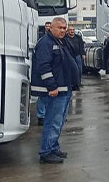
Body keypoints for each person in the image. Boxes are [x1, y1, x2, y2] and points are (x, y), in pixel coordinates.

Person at [31, 17, 80, 164]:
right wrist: (52, 87)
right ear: (50, 28)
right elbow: (44, 67)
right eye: (60, 28)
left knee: (58, 122)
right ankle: (46, 152)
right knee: (52, 122)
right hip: (55, 91)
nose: (63, 30)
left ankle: (53, 148)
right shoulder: (46, 43)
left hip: (64, 89)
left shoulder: (60, 42)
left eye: (64, 28)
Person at [36, 21, 53, 126]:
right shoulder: (43, 40)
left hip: (50, 77)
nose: (48, 28)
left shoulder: (53, 40)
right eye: (46, 26)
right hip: (44, 77)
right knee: (43, 97)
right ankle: (41, 116)